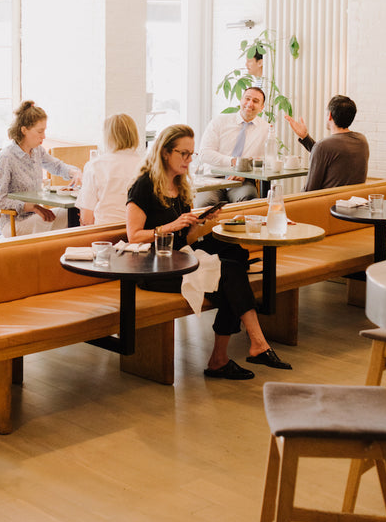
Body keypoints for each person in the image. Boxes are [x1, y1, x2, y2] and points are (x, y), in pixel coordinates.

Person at [126, 124, 291, 380]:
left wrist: (204, 222)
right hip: (154, 266)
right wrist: (170, 226)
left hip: (180, 256)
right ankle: (243, 350)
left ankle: (231, 354)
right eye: (184, 153)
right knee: (230, 273)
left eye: (192, 154)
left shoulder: (179, 185)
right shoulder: (143, 186)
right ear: (165, 153)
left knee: (232, 260)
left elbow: (187, 238)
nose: (190, 159)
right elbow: (133, 236)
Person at [0, 100, 82, 236]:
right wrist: (33, 207)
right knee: (72, 220)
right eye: (40, 131)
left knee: (77, 212)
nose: (44, 136)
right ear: (24, 130)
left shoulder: (37, 151)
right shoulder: (6, 158)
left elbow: (57, 166)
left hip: (37, 216)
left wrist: (74, 172)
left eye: (44, 131)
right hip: (15, 222)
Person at [196, 86, 269, 206]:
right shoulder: (219, 122)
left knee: (249, 201)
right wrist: (234, 162)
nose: (250, 104)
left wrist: (244, 173)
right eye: (247, 98)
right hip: (212, 179)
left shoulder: (265, 129)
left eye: (255, 101)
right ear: (241, 100)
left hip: (241, 181)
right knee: (206, 205)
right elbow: (205, 153)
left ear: (262, 108)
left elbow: (265, 161)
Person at [287, 94, 369, 192]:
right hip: (354, 202)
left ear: (329, 115)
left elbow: (309, 190)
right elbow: (330, 153)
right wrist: (305, 137)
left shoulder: (323, 147)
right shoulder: (362, 141)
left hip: (329, 205)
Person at [76, 113, 143, 225]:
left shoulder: (95, 165)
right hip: (138, 233)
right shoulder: (146, 165)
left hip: (104, 233)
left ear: (107, 137)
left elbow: (87, 218)